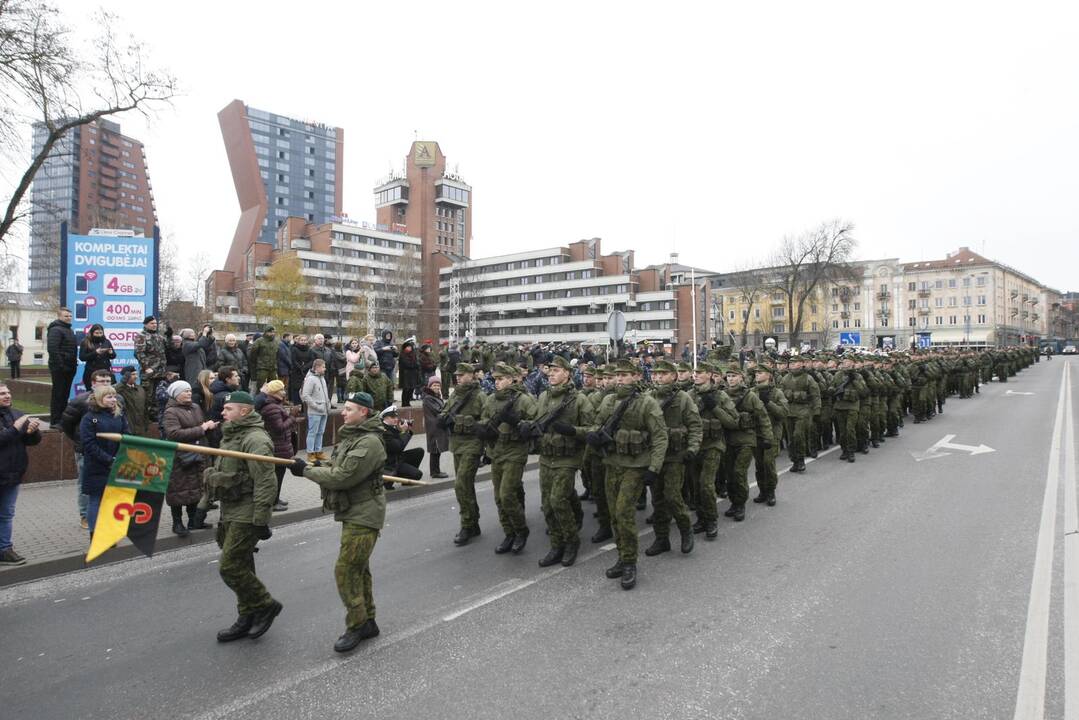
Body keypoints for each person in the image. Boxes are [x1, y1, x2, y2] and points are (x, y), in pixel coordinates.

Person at [290, 391, 386, 653]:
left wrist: (307, 471)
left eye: (349, 409)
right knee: (359, 569)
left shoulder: (369, 442)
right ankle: (368, 621)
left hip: (364, 515)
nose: (343, 412)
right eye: (344, 409)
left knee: (345, 570)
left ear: (363, 413)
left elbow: (343, 477)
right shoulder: (353, 436)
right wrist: (315, 464)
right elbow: (336, 466)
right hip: (353, 510)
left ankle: (356, 625)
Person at [204, 390, 282, 643]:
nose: (222, 413)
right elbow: (219, 472)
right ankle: (246, 615)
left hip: (246, 512)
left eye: (228, 410)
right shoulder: (231, 435)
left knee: (230, 566)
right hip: (230, 509)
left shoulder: (256, 439)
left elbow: (265, 481)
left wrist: (261, 518)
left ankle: (265, 604)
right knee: (243, 564)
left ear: (244, 411)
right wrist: (205, 502)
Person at [586, 358, 667, 590]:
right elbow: (596, 423)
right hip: (612, 463)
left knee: (624, 512)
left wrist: (654, 467)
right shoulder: (609, 400)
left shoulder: (646, 403)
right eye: (617, 375)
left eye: (625, 374)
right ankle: (622, 556)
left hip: (636, 465)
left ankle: (630, 562)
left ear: (636, 376)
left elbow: (660, 437)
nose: (620, 378)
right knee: (613, 514)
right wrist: (593, 435)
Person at [528, 356, 593, 567]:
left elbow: (593, 430)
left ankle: (571, 541)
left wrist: (573, 430)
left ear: (567, 373)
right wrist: (525, 427)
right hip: (547, 457)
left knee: (558, 501)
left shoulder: (579, 399)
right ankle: (556, 545)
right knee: (547, 504)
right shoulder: (544, 396)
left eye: (556, 371)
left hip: (568, 458)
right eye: (550, 371)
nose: (551, 374)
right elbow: (536, 421)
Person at [645, 359, 701, 557]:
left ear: (673, 376)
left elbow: (695, 425)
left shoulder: (683, 398)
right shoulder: (648, 396)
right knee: (658, 499)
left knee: (672, 495)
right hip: (654, 456)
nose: (658, 377)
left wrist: (692, 449)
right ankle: (662, 539)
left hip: (675, 455)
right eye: (656, 374)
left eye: (663, 374)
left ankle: (686, 530)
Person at [61, 369, 116, 529]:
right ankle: (85, 516)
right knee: (86, 485)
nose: (105, 384)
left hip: (110, 453)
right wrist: (80, 440)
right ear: (93, 383)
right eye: (101, 381)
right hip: (86, 451)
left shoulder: (117, 400)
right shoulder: (80, 401)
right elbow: (66, 424)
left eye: (108, 381)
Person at [438, 362, 486, 546]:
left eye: (462, 374)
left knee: (461, 484)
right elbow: (445, 411)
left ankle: (466, 524)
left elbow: (487, 422)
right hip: (457, 444)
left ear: (472, 375)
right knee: (465, 486)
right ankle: (473, 523)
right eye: (457, 374)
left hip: (473, 444)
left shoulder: (480, 396)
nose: (458, 377)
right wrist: (443, 418)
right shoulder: (456, 394)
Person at [161, 380, 218, 535]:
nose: (189, 393)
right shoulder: (171, 412)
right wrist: (201, 428)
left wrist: (209, 427)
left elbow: (201, 427)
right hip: (180, 458)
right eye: (184, 391)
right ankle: (177, 523)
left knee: (195, 489)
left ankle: (193, 521)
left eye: (189, 390)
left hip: (198, 455)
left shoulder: (195, 407)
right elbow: (173, 434)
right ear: (175, 394)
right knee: (178, 491)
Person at [722, 366, 774, 522]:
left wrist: (767, 438)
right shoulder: (722, 395)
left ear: (741, 378)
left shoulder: (750, 396)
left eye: (734, 376)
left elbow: (763, 417)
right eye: (728, 376)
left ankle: (740, 504)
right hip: (727, 440)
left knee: (739, 472)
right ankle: (734, 502)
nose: (730, 379)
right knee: (729, 475)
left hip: (746, 439)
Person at [0, 382, 42, 565]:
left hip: (13, 473)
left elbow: (30, 441)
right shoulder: (16, 420)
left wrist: (32, 432)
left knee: (7, 514)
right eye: (2, 393)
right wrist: (16, 428)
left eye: (8, 392)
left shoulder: (16, 414)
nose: (7, 396)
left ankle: (5, 549)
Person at [78, 385, 129, 534]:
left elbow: (127, 436)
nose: (114, 400)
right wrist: (109, 460)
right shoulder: (89, 418)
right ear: (100, 399)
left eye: (114, 396)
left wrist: (121, 457)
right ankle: (95, 533)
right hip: (97, 466)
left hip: (117, 463)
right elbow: (89, 444)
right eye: (109, 397)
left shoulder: (119, 415)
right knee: (96, 500)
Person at [751, 365, 788, 507]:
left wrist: (768, 403)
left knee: (768, 463)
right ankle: (762, 491)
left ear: (769, 375)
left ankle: (771, 491)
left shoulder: (777, 393)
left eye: (760, 373)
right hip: (756, 432)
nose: (757, 375)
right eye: (756, 373)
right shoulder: (752, 392)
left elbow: (783, 413)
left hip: (773, 433)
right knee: (759, 464)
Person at [257, 380, 294, 512]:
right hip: (277, 446)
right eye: (282, 390)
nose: (284, 392)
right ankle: (273, 501)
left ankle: (276, 498)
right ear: (275, 392)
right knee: (276, 475)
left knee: (280, 474)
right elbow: (279, 428)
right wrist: (291, 418)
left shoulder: (276, 404)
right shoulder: (272, 407)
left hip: (281, 446)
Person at [134, 316, 170, 421]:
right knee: (147, 396)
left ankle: (156, 415)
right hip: (149, 372)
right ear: (145, 324)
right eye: (151, 323)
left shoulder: (158, 337)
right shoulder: (141, 336)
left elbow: (168, 347)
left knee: (159, 394)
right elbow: (139, 353)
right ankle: (146, 416)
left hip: (161, 372)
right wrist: (146, 367)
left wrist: (169, 335)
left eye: (155, 323)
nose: (154, 325)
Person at [47, 307, 78, 424]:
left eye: (70, 316)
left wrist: (72, 365)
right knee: (58, 395)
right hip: (60, 368)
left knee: (65, 395)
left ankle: (62, 419)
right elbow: (53, 349)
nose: (69, 318)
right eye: (66, 316)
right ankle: (55, 420)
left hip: (70, 367)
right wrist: (61, 365)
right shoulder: (56, 330)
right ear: (59, 317)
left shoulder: (69, 330)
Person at [380, 406, 424, 484]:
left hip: (396, 458)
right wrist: (403, 432)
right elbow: (399, 447)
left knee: (419, 451)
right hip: (390, 464)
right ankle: (390, 479)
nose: (396, 419)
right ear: (385, 418)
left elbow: (399, 442)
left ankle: (405, 478)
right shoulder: (384, 431)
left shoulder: (390, 427)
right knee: (418, 475)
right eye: (392, 417)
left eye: (396, 417)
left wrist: (406, 431)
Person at [301, 358, 330, 461]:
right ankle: (310, 453)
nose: (325, 369)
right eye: (323, 367)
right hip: (315, 411)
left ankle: (318, 451)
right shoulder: (310, 378)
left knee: (321, 432)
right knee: (313, 432)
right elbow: (306, 396)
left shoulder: (322, 378)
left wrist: (328, 405)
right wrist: (316, 406)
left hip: (324, 410)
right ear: (317, 367)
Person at [422, 376, 449, 478]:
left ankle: (435, 471)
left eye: (438, 385)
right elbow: (439, 410)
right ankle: (435, 472)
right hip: (434, 427)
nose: (437, 387)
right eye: (434, 385)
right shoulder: (429, 398)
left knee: (436, 450)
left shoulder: (435, 396)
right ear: (430, 386)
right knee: (435, 450)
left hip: (436, 426)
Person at [116, 366, 149, 437]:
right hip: (127, 428)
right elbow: (115, 391)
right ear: (126, 376)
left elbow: (145, 408)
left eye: (136, 374)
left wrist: (146, 424)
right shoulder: (121, 389)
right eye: (133, 374)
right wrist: (124, 381)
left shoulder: (140, 389)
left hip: (141, 429)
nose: (136, 377)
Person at [248, 327, 280, 391]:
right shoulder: (259, 341)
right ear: (266, 332)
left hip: (273, 368)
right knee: (261, 387)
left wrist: (275, 365)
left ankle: (272, 400)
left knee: (273, 387)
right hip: (262, 368)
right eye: (270, 332)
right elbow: (252, 356)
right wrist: (257, 365)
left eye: (273, 332)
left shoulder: (276, 342)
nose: (272, 334)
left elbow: (277, 355)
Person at [289, 335, 314, 405]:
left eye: (305, 340)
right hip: (296, 372)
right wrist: (300, 367)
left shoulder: (309, 350)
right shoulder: (294, 349)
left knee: (305, 389)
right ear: (299, 341)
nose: (303, 341)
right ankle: (297, 406)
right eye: (301, 340)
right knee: (296, 389)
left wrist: (306, 367)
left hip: (306, 372)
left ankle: (304, 407)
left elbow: (312, 360)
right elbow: (293, 360)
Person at [398, 339, 422, 407]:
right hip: (406, 375)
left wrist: (415, 365)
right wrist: (414, 365)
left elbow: (417, 363)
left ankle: (408, 402)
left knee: (411, 389)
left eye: (410, 347)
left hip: (413, 375)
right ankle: (404, 403)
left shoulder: (413, 354)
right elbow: (407, 364)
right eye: (407, 347)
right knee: (406, 389)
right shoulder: (403, 355)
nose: (409, 348)